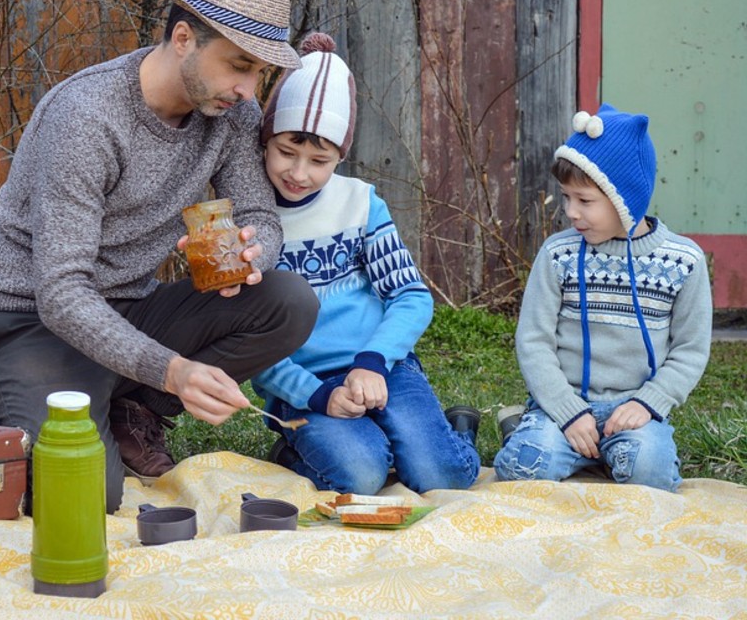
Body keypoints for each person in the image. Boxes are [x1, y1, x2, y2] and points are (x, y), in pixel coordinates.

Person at [0, 0, 319, 513]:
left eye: (259, 72)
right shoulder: (86, 118)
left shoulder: (230, 114)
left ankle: (134, 407)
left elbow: (260, 217)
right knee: (84, 497)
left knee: (288, 301)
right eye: (238, 65)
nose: (249, 90)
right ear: (184, 38)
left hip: (132, 307)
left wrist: (255, 253)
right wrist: (173, 371)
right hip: (31, 321)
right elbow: (61, 294)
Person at [251, 32, 481, 496]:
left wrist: (374, 362)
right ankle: (298, 446)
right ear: (266, 139)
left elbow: (410, 296)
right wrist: (316, 396)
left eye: (319, 160)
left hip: (381, 370)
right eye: (286, 153)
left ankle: (455, 431)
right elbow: (250, 341)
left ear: (341, 155)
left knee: (443, 477)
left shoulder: (360, 204)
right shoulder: (249, 218)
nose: (299, 173)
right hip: (307, 383)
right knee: (360, 475)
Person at [494, 104, 712, 491]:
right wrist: (564, 410)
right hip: (562, 407)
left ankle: (617, 451)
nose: (570, 212)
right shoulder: (558, 254)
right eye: (566, 197)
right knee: (523, 469)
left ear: (626, 198)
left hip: (635, 410)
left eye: (585, 200)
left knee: (651, 476)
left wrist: (649, 403)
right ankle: (524, 429)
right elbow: (534, 341)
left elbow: (690, 349)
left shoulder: (684, 262)